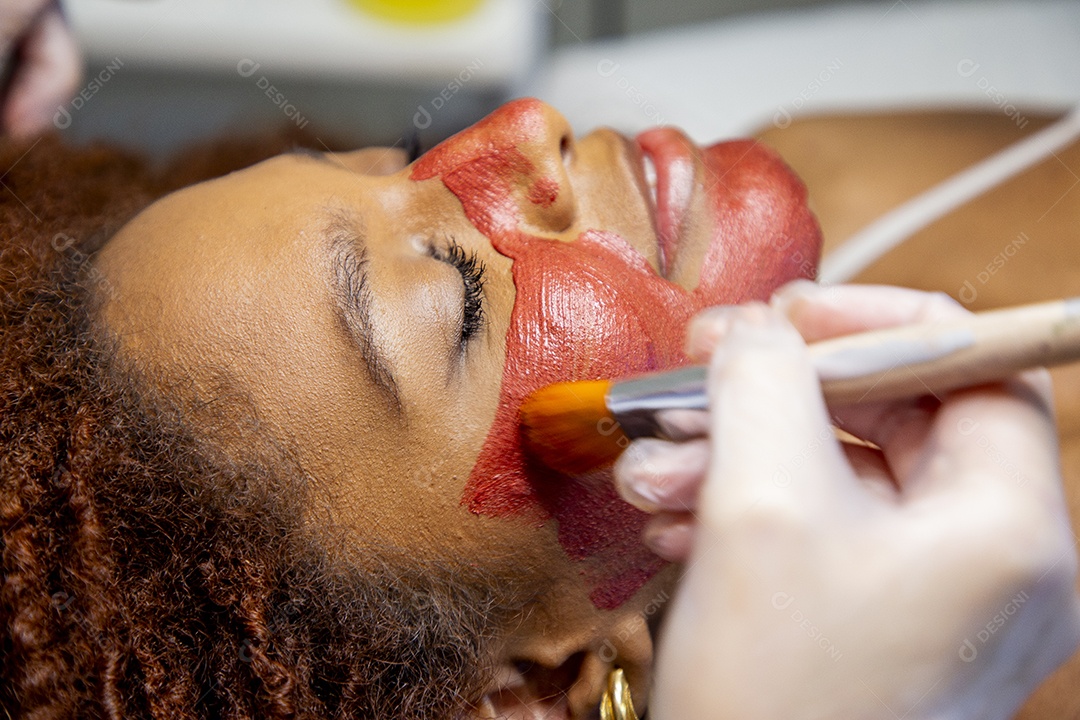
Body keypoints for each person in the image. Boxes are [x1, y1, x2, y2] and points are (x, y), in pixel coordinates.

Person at [2, 20, 1078, 719]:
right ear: (543, 684)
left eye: (382, 164)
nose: (526, 129)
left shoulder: (826, 159)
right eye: (461, 301)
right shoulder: (1025, 658)